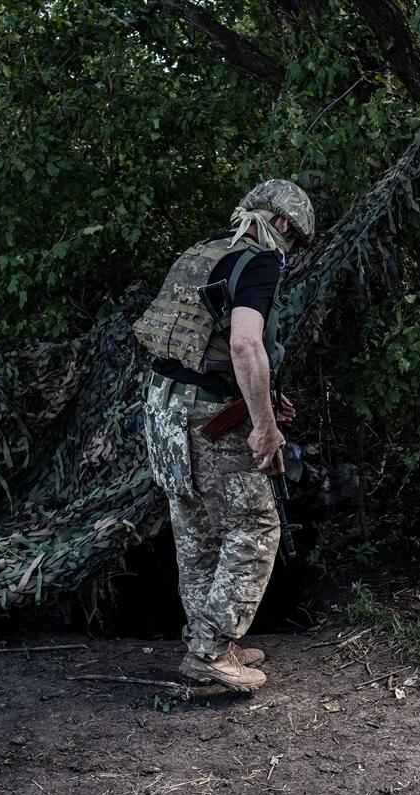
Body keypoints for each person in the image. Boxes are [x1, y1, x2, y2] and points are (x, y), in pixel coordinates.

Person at [133, 178, 315, 692]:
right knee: (257, 526)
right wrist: (264, 428)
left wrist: (267, 400)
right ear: (283, 224)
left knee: (196, 528)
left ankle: (208, 641)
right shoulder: (258, 261)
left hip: (162, 409)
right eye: (295, 238)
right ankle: (211, 651)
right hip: (207, 417)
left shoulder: (202, 254)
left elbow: (195, 344)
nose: (291, 249)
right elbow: (243, 347)